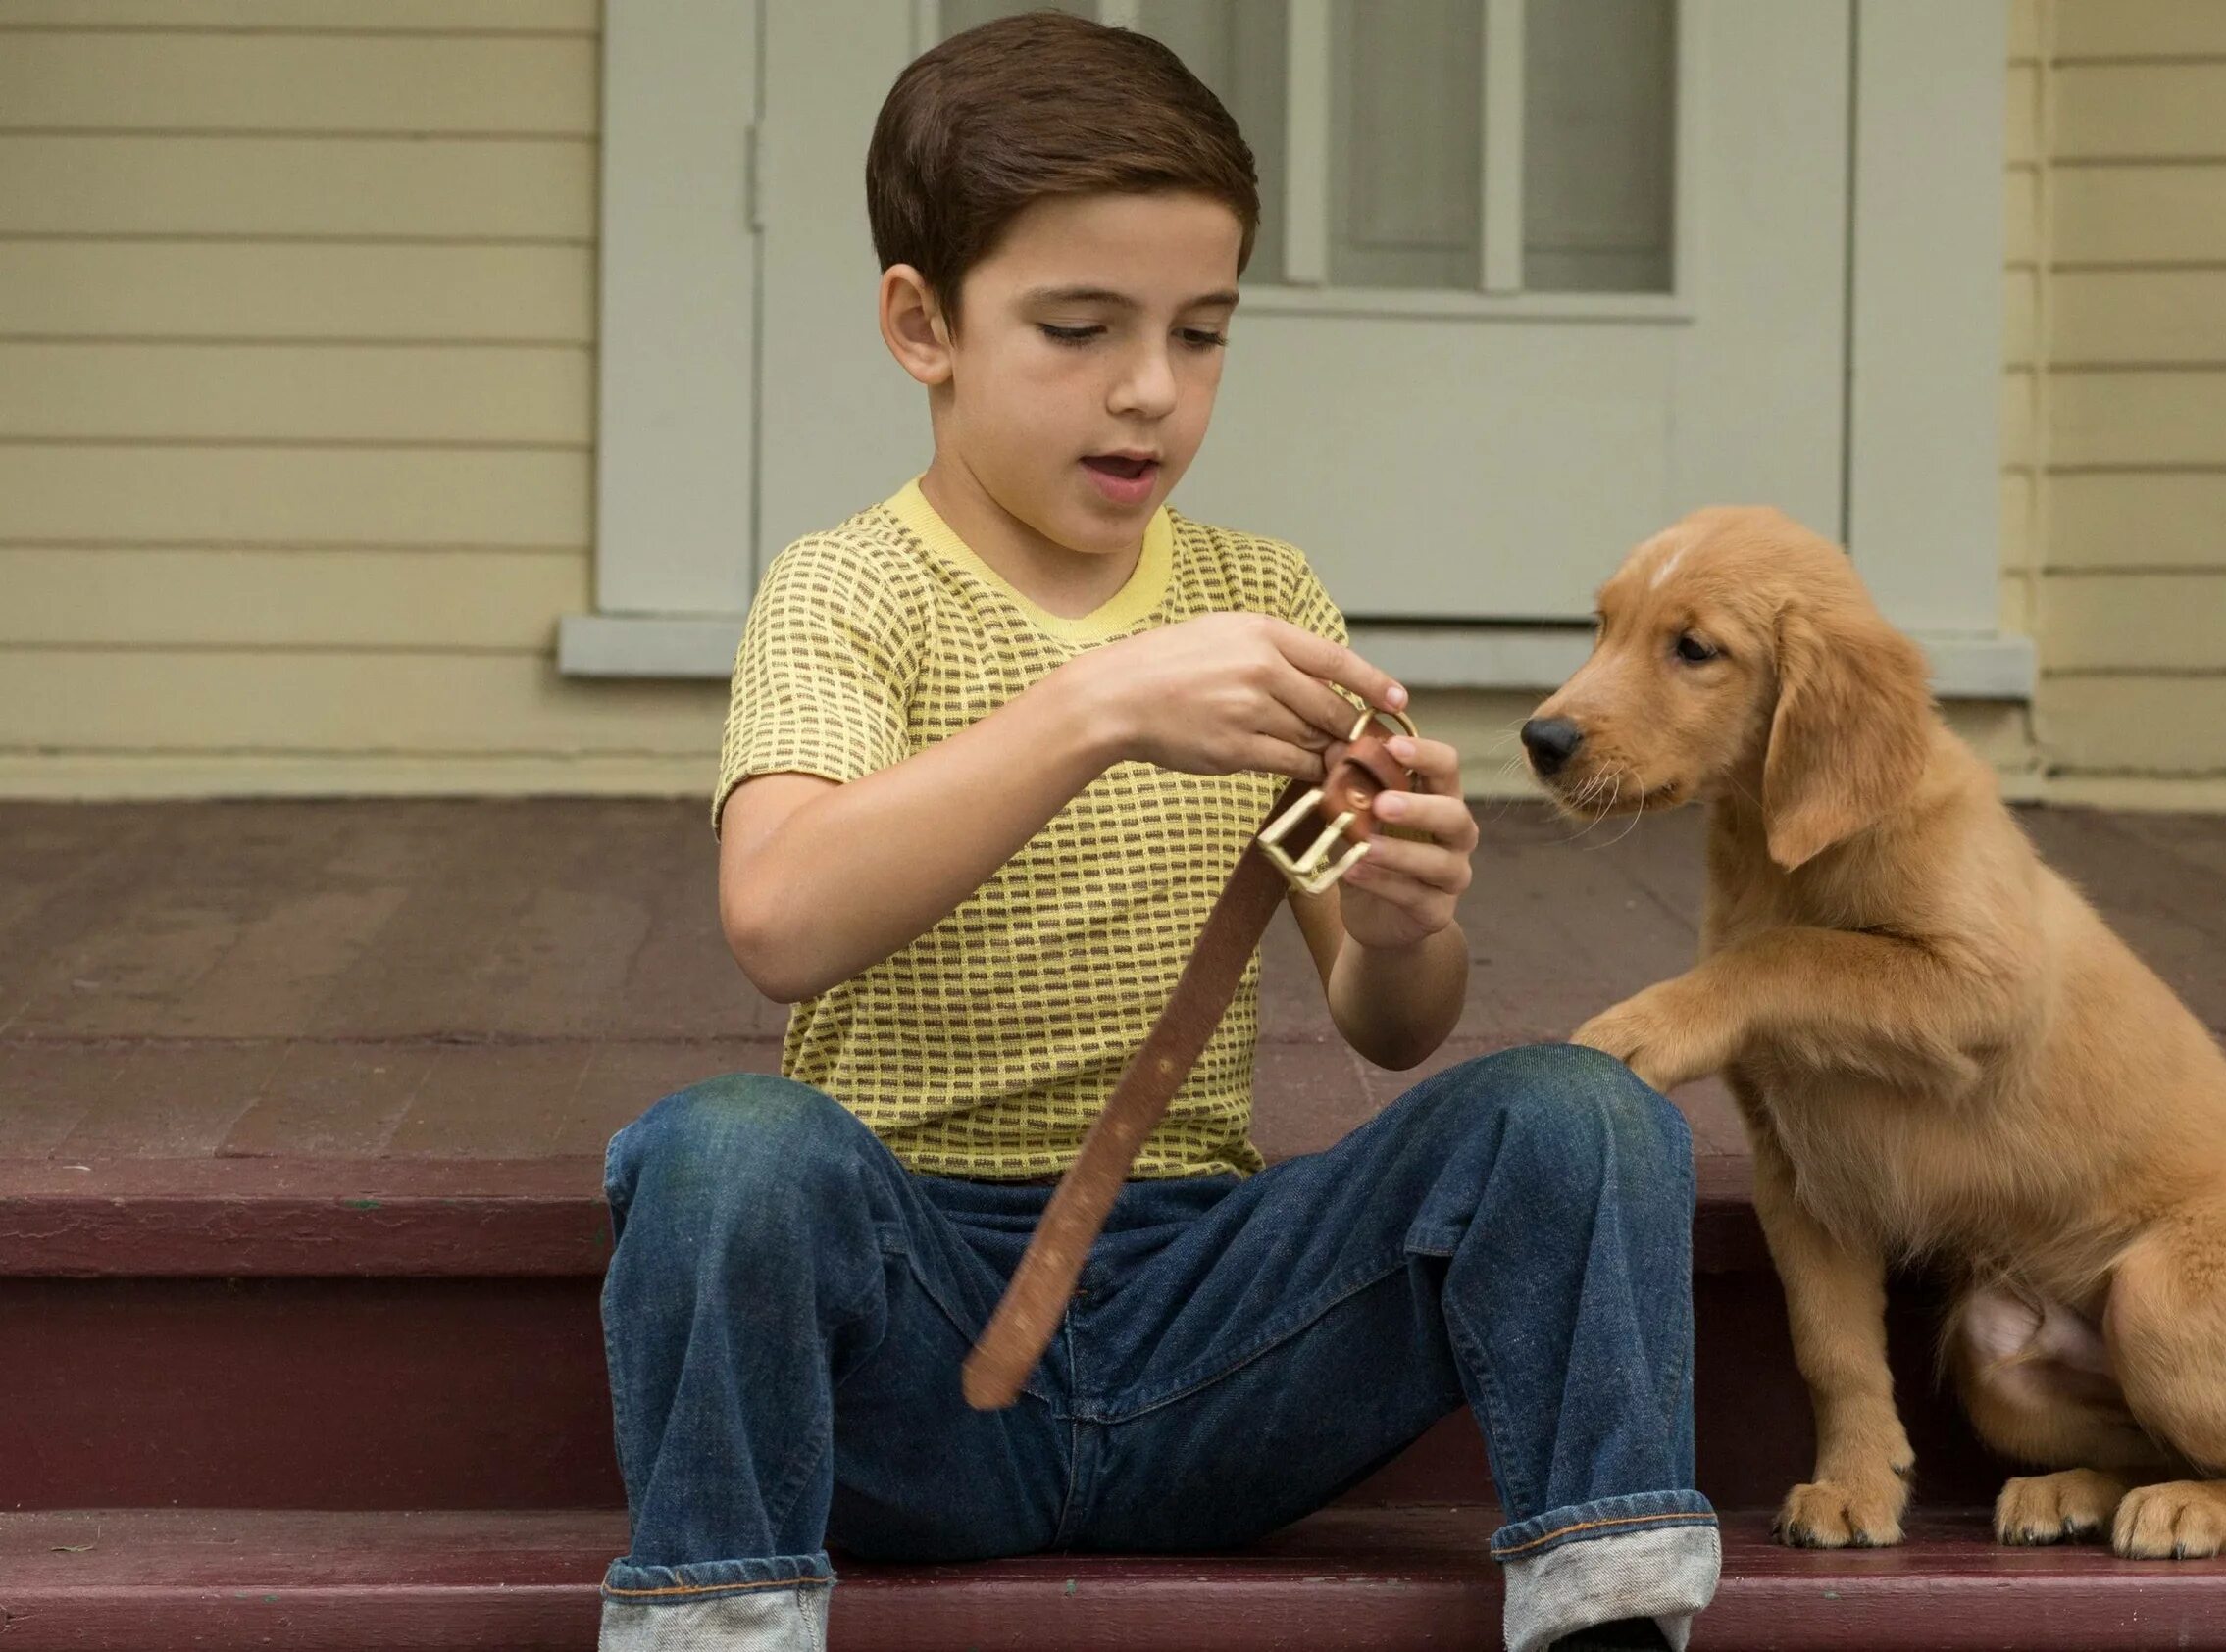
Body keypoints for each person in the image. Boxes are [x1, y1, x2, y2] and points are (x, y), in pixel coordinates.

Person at [591, 14, 1714, 1651]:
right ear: (924, 324)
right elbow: (778, 914)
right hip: (908, 1318)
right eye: (1077, 327)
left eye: (1201, 334)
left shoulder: (1264, 600)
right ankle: (719, 1624)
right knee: (723, 1151)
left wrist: (1407, 916)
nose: (1148, 390)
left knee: (1583, 1116)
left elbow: (1393, 1025)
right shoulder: (847, 591)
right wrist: (1099, 702)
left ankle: (1612, 1615)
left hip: (1213, 1322)